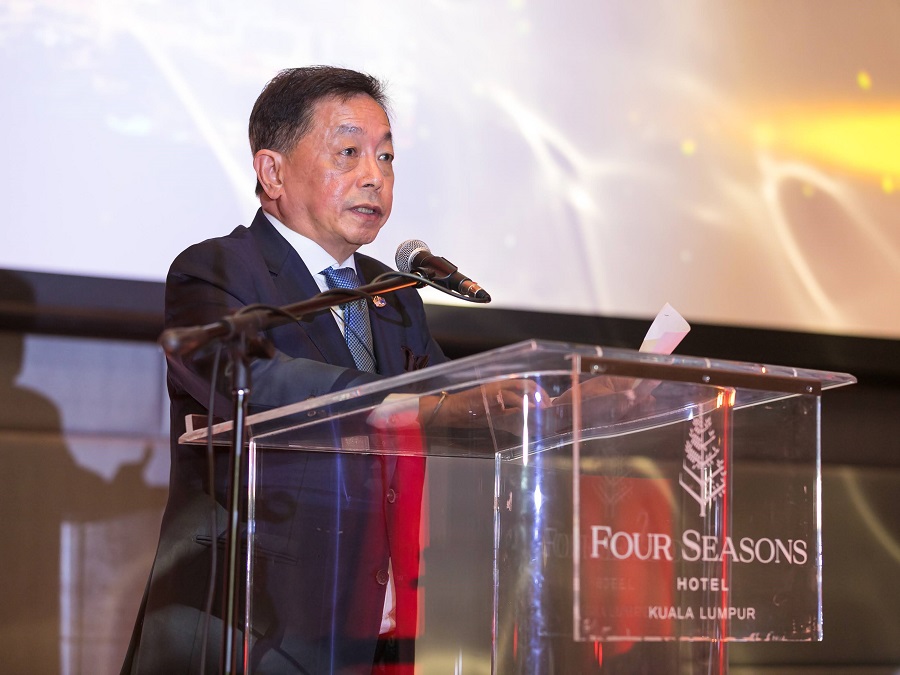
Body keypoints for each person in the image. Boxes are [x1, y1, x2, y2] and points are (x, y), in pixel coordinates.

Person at [122, 66, 536, 674]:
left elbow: (448, 405)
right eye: (349, 152)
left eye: (387, 156)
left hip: (371, 632)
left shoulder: (395, 298)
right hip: (247, 628)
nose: (376, 175)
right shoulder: (216, 269)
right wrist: (393, 401)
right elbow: (249, 380)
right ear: (272, 171)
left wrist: (539, 401)